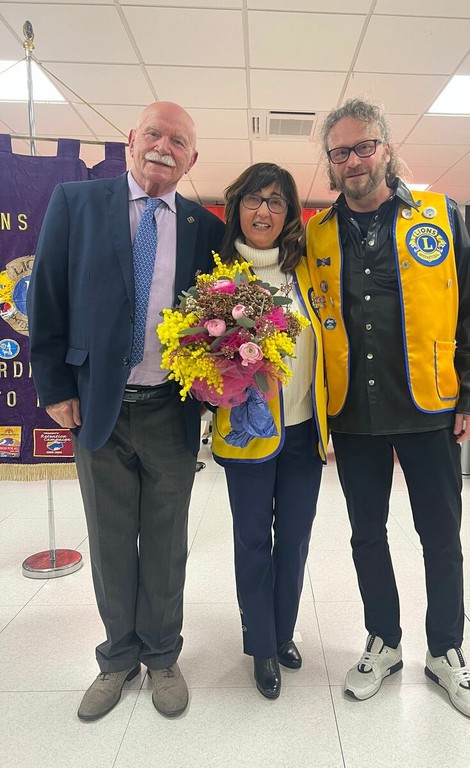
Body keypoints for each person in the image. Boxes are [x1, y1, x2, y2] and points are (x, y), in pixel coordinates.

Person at [27, 101, 225, 721]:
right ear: (131, 140)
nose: (164, 146)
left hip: (170, 408)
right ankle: (116, 659)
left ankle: (162, 656)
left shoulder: (203, 227)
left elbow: (214, 320)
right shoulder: (76, 203)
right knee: (111, 540)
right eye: (155, 134)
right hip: (96, 408)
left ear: (192, 159)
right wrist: (55, 387)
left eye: (179, 141)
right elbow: (47, 297)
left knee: (166, 543)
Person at [306, 98, 470, 719]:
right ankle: (383, 641)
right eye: (340, 151)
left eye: (364, 146)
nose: (353, 160)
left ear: (386, 148)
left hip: (429, 406)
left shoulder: (439, 216)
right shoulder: (317, 234)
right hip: (353, 413)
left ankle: (445, 650)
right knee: (367, 536)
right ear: (331, 162)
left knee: (440, 536)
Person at [211, 162, 328, 699]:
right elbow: (202, 364)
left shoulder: (306, 275)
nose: (264, 211)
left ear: (290, 213)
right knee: (254, 539)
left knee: (296, 538)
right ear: (237, 207)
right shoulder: (219, 281)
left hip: (305, 431)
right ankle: (261, 644)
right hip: (249, 434)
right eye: (254, 200)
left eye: (276, 201)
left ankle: (283, 632)